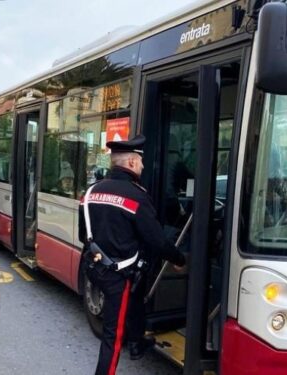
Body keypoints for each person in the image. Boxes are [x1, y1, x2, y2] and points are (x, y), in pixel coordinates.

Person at [78, 134, 187, 375]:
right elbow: (157, 239)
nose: (143, 166)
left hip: (94, 269)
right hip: (119, 276)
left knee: (136, 298)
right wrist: (179, 259)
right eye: (140, 161)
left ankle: (137, 343)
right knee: (112, 337)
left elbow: (82, 235)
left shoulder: (91, 191)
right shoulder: (137, 196)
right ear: (131, 164)